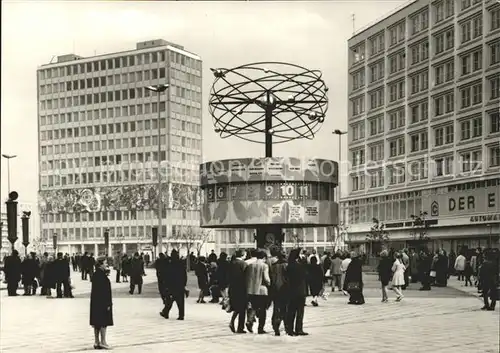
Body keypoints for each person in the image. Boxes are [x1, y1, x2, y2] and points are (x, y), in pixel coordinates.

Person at [245, 249, 270, 334]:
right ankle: (260, 328)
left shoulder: (250, 265)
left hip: (251, 290)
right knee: (262, 309)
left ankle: (250, 321)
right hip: (262, 290)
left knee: (254, 307)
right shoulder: (264, 265)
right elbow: (266, 279)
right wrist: (269, 284)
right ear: (263, 257)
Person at [90, 257, 113, 350]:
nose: (106, 264)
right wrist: (108, 303)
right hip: (103, 302)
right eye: (105, 263)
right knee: (104, 322)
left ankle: (96, 342)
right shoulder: (101, 276)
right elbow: (104, 291)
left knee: (96, 322)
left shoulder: (96, 274)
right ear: (100, 264)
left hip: (96, 302)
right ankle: (103, 342)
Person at [285, 248, 308, 336]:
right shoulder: (300, 266)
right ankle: (299, 329)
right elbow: (305, 275)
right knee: (300, 311)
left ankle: (290, 329)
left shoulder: (289, 266)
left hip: (291, 291)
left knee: (291, 311)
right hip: (300, 291)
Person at [161, 250, 187, 320]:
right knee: (180, 301)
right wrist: (184, 284)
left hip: (171, 285)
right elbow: (184, 275)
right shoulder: (181, 264)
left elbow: (167, 275)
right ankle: (181, 315)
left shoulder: (170, 264)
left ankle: (165, 313)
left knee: (169, 300)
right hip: (180, 285)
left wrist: (166, 285)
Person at [228, 249, 248, 334]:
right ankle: (240, 327)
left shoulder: (231, 263)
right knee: (242, 309)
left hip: (232, 288)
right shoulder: (243, 264)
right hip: (241, 288)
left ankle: (232, 321)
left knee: (236, 307)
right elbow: (246, 277)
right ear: (243, 255)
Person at [269, 250, 288, 336]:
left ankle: (275, 325)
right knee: (285, 308)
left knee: (276, 308)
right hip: (284, 290)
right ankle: (286, 325)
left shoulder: (273, 266)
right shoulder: (286, 266)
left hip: (275, 290)